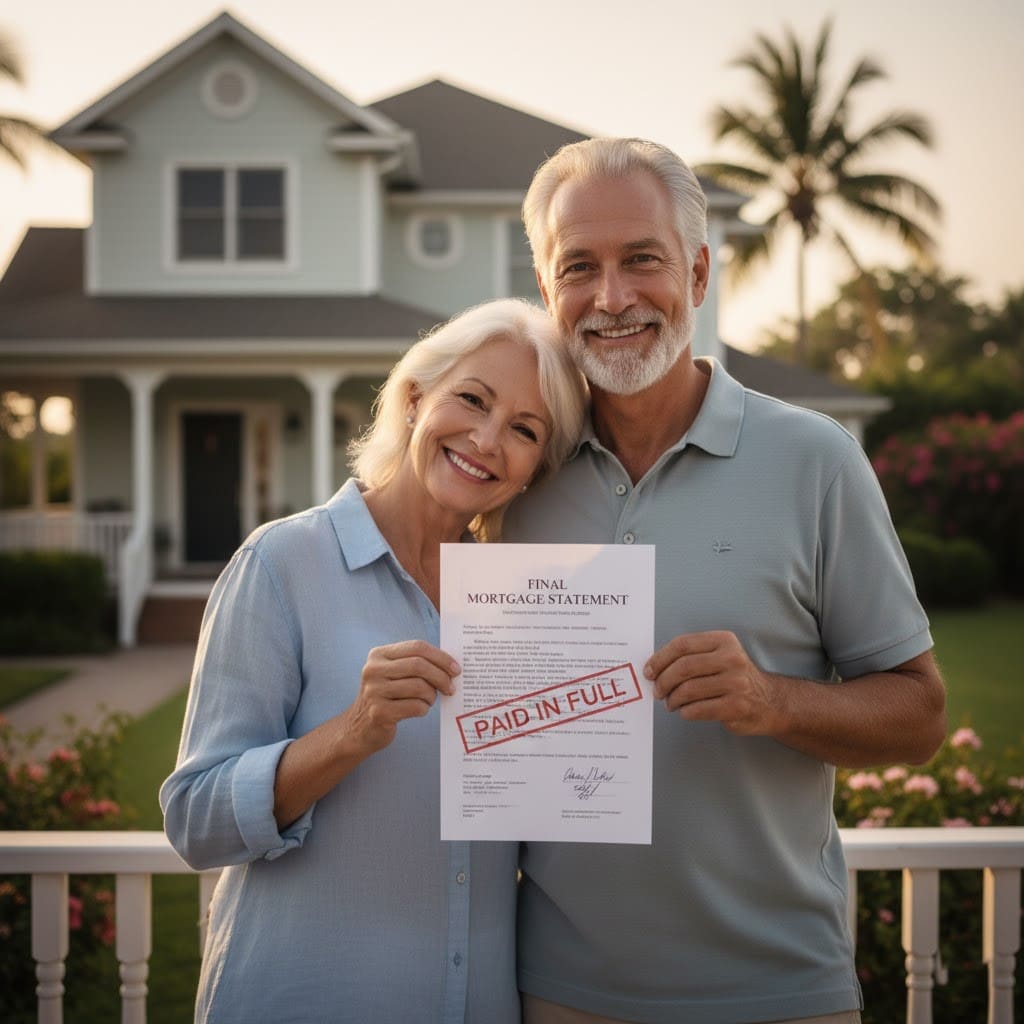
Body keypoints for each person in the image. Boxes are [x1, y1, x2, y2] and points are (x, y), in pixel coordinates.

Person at [502, 138, 947, 1024]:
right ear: (548, 290)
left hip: (780, 989)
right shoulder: (517, 471)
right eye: (579, 267)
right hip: (558, 992)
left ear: (698, 273)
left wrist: (771, 701)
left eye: (643, 260)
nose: (613, 297)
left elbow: (920, 715)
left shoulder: (816, 460)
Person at [160, 298, 587, 1024]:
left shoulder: (528, 608)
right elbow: (196, 822)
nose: (487, 439)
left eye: (523, 430)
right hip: (304, 1000)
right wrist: (350, 732)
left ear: (532, 470)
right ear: (416, 399)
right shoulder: (282, 562)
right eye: (472, 400)